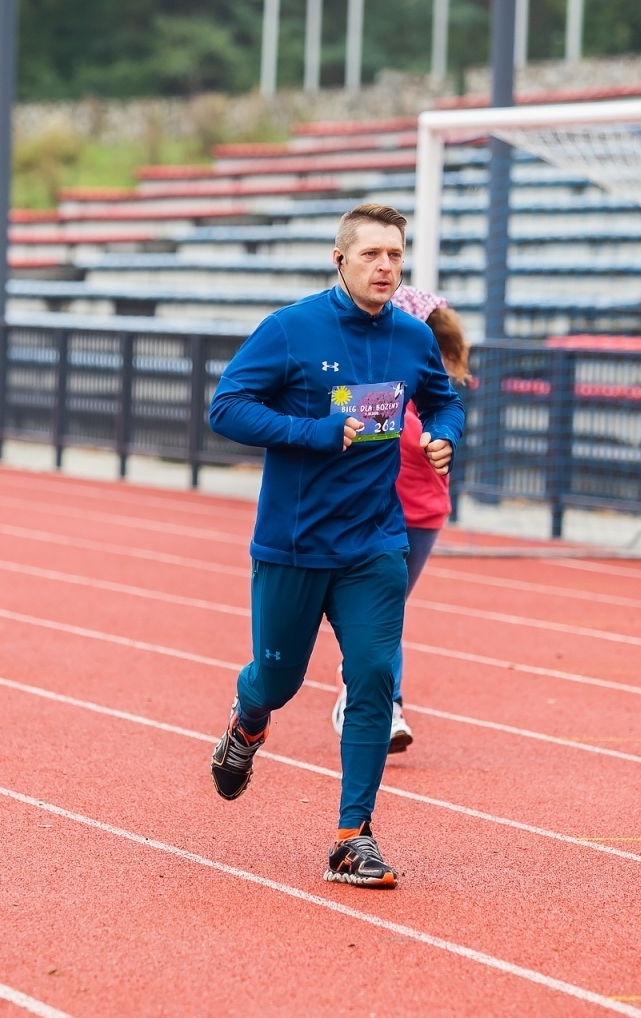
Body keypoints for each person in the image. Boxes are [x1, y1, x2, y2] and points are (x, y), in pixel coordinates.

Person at [206, 203, 464, 888]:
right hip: (294, 544)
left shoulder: (412, 338)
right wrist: (314, 432)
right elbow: (225, 406)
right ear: (339, 259)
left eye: (395, 257)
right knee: (278, 682)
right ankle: (247, 722)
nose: (385, 266)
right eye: (372, 254)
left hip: (374, 542)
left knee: (374, 676)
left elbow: (445, 400)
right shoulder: (290, 330)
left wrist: (444, 435)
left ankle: (355, 835)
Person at [329, 285, 471, 753]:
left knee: (385, 611)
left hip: (423, 514)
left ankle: (370, 692)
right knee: (381, 610)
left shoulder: (433, 387)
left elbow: (441, 422)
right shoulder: (372, 380)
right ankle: (381, 699)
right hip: (372, 513)